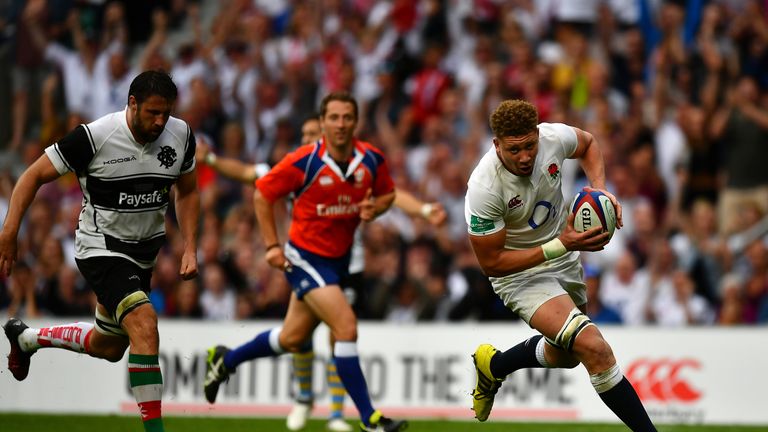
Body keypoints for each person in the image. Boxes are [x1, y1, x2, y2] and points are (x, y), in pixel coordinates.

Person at [197, 114, 446, 431]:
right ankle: (359, 416)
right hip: (308, 262)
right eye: (304, 133)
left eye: (313, 133)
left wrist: (422, 210)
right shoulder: (296, 169)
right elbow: (251, 175)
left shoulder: (352, 168)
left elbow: (390, 195)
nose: (307, 139)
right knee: (343, 327)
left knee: (293, 337)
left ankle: (227, 360)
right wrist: (212, 161)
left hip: (347, 265)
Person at [1, 70, 200, 432]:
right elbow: (31, 175)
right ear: (132, 104)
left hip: (144, 255)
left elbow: (188, 191)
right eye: (153, 112)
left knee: (109, 347)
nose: (160, 121)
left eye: (166, 113)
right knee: (144, 323)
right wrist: (10, 230)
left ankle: (27, 339)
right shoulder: (95, 136)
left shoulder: (182, 135)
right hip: (100, 247)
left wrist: (190, 246)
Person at [464, 99, 656, 431]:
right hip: (518, 273)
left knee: (567, 356)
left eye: (529, 146)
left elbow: (589, 144)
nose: (525, 156)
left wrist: (600, 191)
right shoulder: (484, 188)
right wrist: (560, 245)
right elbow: (491, 264)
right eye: (514, 150)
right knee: (595, 348)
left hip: (563, 251)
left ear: (538, 134)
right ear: (497, 144)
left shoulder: (552, 137)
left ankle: (494, 366)